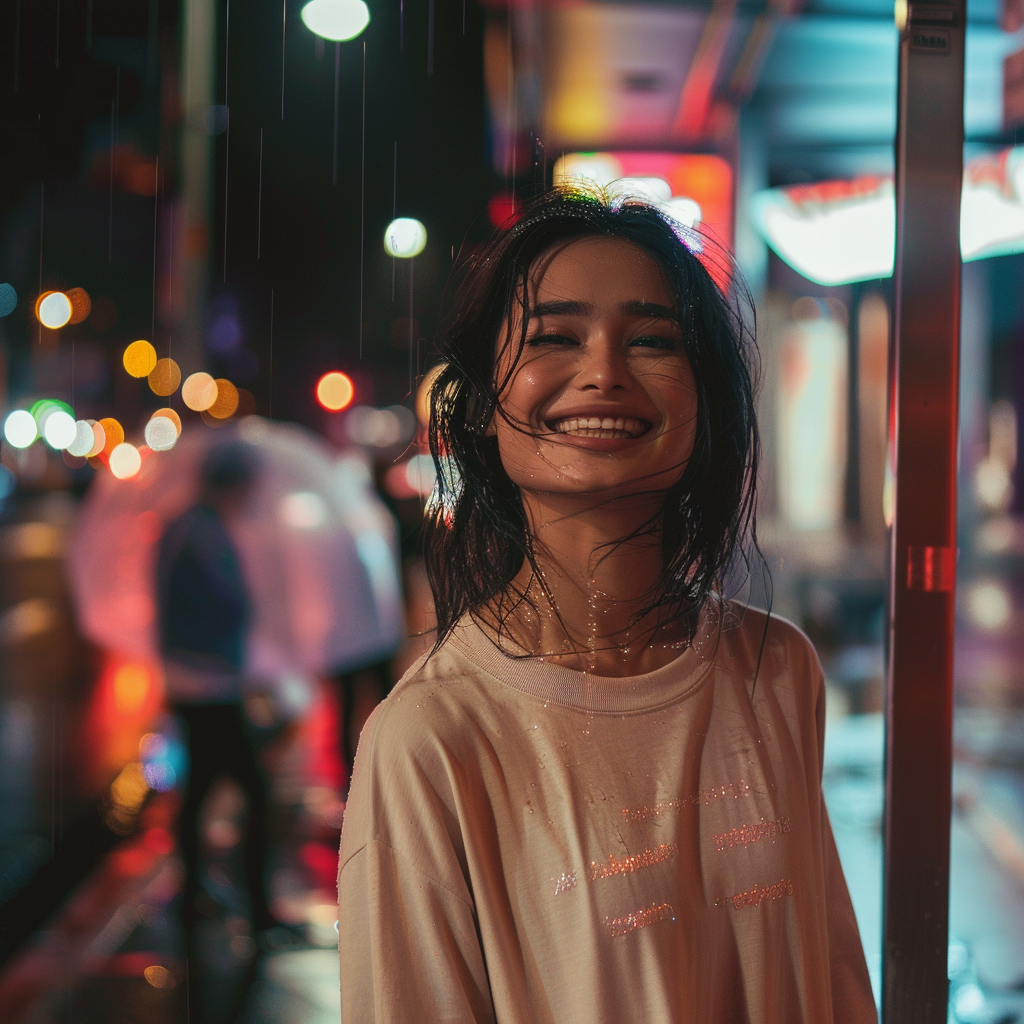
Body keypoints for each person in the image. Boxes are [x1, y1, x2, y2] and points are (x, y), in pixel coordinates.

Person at [337, 187, 877, 1022]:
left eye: (654, 341)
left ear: (704, 400)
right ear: (481, 404)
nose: (604, 373)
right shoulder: (431, 739)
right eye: (555, 337)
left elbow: (833, 972)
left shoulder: (777, 668)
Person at [155, 439, 279, 943]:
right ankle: (258, 910)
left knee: (202, 789)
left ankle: (193, 898)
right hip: (206, 682)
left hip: (195, 679)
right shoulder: (203, 531)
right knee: (255, 792)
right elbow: (222, 604)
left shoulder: (190, 525)